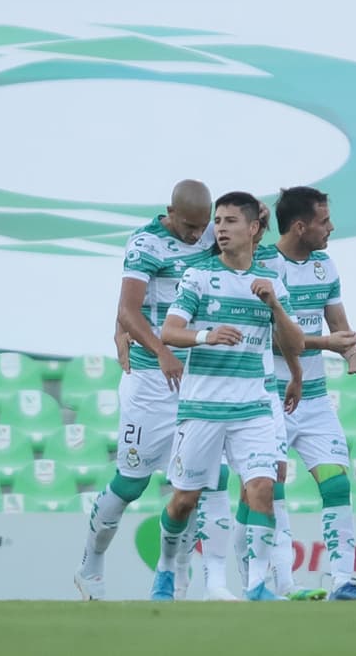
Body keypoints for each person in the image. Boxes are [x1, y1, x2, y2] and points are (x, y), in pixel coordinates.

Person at [76, 180, 237, 601]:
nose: (196, 234)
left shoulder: (211, 235)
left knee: (205, 479)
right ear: (170, 211)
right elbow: (128, 310)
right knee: (132, 483)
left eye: (201, 226)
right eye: (188, 226)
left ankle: (178, 574)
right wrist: (160, 351)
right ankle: (91, 563)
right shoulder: (145, 243)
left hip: (197, 378)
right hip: (150, 380)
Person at [155, 191, 305, 602]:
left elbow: (295, 344)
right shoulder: (199, 276)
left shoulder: (271, 284)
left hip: (252, 409)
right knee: (184, 501)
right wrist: (207, 335)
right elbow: (169, 332)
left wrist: (275, 306)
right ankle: (166, 569)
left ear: (254, 228)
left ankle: (256, 586)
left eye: (230, 221)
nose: (220, 228)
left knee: (262, 490)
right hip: (203, 407)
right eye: (217, 221)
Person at [255, 187, 356, 601]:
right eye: (324, 221)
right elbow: (267, 340)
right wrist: (325, 344)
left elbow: (338, 327)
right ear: (299, 227)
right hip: (268, 400)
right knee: (271, 488)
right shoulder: (263, 266)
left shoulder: (325, 266)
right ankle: (284, 584)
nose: (332, 228)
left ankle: (343, 581)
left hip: (313, 400)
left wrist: (352, 351)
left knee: (336, 485)